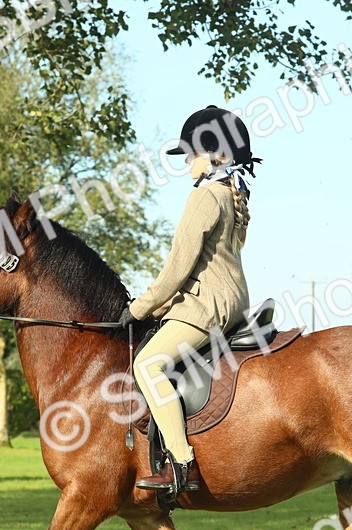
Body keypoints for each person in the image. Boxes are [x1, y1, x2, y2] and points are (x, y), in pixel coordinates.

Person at [118, 105, 259, 493]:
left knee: (147, 365)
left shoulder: (205, 197)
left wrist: (139, 308)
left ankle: (182, 465)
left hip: (207, 304)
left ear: (216, 153)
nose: (187, 162)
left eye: (193, 153)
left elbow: (180, 266)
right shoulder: (232, 193)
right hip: (231, 299)